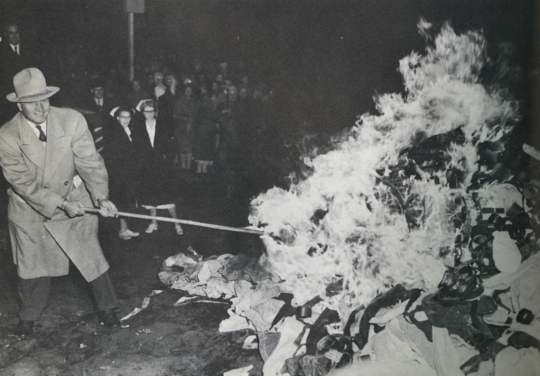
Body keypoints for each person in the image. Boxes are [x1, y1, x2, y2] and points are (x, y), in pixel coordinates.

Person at [0, 68, 122, 336]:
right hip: (32, 207)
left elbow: (90, 162)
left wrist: (101, 197)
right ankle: (28, 316)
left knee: (91, 255)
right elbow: (23, 183)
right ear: (20, 105)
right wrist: (59, 203)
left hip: (74, 198)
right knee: (32, 265)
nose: (41, 107)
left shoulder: (71, 120)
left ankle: (108, 308)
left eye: (44, 99)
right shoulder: (7, 135)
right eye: (32, 102)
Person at [132, 100, 183, 235]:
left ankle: (177, 224)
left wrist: (168, 159)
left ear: (155, 112)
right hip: (147, 166)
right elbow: (136, 147)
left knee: (168, 195)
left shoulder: (163, 125)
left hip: (162, 166)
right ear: (142, 113)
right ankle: (153, 222)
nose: (149, 114)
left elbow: (173, 144)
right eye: (146, 111)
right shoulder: (138, 127)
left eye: (151, 111)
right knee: (150, 196)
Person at [102, 106, 140, 240]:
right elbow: (114, 155)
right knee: (121, 200)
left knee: (125, 200)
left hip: (127, 172)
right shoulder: (115, 132)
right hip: (119, 173)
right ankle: (121, 230)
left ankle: (124, 229)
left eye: (128, 117)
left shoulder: (127, 130)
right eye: (123, 117)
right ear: (117, 118)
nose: (126, 119)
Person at [0, 22, 40, 124]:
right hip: (10, 95)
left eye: (16, 33)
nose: (14, 36)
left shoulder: (30, 48)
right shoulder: (2, 51)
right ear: (5, 35)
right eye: (11, 33)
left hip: (29, 93)